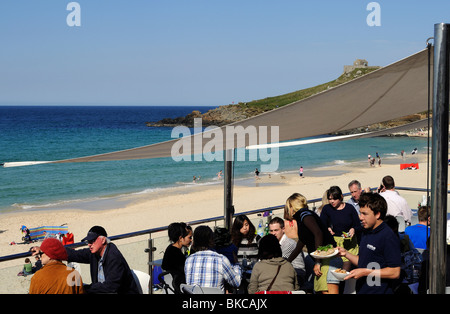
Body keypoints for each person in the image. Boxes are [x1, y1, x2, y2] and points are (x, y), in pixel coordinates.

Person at [338, 193, 401, 294]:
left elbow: (395, 272)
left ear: (377, 214)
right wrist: (346, 253)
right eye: (360, 213)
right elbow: (364, 261)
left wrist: (365, 272)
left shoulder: (388, 236)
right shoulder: (366, 231)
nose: (360, 217)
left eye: (365, 214)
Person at [285, 193, 341, 294]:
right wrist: (287, 261)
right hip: (325, 261)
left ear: (292, 207)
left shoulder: (305, 215)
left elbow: (318, 233)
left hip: (328, 261)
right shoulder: (303, 217)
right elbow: (301, 243)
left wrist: (317, 261)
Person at [65, 225, 139, 294]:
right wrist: (55, 249)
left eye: (92, 241)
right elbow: (75, 254)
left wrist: (84, 288)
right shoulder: (95, 253)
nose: (89, 244)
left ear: (103, 240)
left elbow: (110, 287)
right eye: (88, 242)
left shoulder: (114, 257)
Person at [184, 225, 241, 292]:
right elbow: (236, 283)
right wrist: (236, 264)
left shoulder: (189, 260)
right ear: (211, 240)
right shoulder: (221, 260)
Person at [321, 186, 362, 271]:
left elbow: (358, 225)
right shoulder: (326, 209)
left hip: (350, 244)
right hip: (334, 243)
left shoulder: (349, 208)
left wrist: (353, 229)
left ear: (341, 197)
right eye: (330, 199)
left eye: (335, 199)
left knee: (347, 269)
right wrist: (327, 228)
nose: (332, 201)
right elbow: (321, 225)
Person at [268, 217, 306, 288]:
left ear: (283, 229)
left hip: (297, 273)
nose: (273, 233)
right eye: (271, 231)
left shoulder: (288, 243)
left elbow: (278, 261)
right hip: (285, 272)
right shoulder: (274, 243)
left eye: (276, 230)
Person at [161, 222, 193, 294]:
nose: (191, 240)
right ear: (181, 238)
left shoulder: (170, 249)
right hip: (182, 288)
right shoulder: (176, 254)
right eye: (189, 237)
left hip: (173, 287)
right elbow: (187, 270)